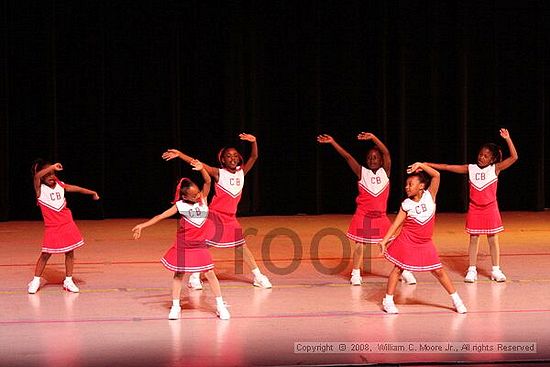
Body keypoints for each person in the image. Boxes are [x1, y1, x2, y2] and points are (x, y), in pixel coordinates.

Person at [162, 133, 272, 290]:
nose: (232, 158)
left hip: (230, 218)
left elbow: (254, 157)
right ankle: (194, 276)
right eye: (228, 156)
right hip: (214, 216)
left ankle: (258, 276)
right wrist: (180, 154)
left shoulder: (242, 172)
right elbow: (196, 162)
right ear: (222, 160)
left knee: (241, 246)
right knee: (202, 244)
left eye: (235, 155)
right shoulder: (217, 173)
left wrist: (254, 141)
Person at [132, 160, 230, 320]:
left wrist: (202, 170)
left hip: (200, 246)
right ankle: (176, 306)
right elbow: (160, 216)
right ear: (185, 196)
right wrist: (143, 225)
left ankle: (220, 305)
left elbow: (208, 181)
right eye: (194, 195)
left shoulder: (203, 199)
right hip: (184, 246)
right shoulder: (180, 205)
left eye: (198, 192)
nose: (198, 195)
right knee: (179, 275)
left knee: (210, 274)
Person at [317, 132, 417, 285]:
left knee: (392, 243)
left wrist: (373, 138)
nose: (372, 160)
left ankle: (404, 270)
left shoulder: (386, 172)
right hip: (364, 215)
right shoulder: (362, 172)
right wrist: (333, 142)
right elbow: (348, 157)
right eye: (369, 157)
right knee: (360, 244)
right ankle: (356, 273)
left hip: (380, 217)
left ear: (381, 160)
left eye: (375, 157)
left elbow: (387, 152)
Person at [425, 129, 518, 282]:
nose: (482, 157)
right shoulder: (471, 168)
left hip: (490, 208)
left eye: (486, 156)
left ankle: (496, 269)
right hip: (475, 208)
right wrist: (427, 164)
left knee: (493, 239)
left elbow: (514, 157)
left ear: (493, 159)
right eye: (480, 154)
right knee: (474, 238)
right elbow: (447, 166)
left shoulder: (495, 169)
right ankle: (472, 269)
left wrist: (508, 138)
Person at [378, 162, 467, 314]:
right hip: (407, 241)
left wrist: (420, 164)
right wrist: (384, 240)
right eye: (406, 184)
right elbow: (396, 224)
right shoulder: (406, 204)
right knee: (398, 269)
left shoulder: (430, 195)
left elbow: (436, 175)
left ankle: (456, 300)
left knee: (439, 271)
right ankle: (388, 301)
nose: (407, 187)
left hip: (425, 243)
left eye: (410, 184)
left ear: (421, 186)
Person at [27, 160, 100, 294]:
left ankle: (68, 281)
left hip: (67, 223)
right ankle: (36, 280)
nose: (51, 176)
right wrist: (52, 167)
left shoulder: (60, 184)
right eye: (47, 174)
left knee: (70, 252)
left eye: (53, 173)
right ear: (42, 176)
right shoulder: (39, 189)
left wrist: (92, 192)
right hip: (52, 227)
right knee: (45, 255)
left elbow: (76, 188)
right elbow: (36, 177)